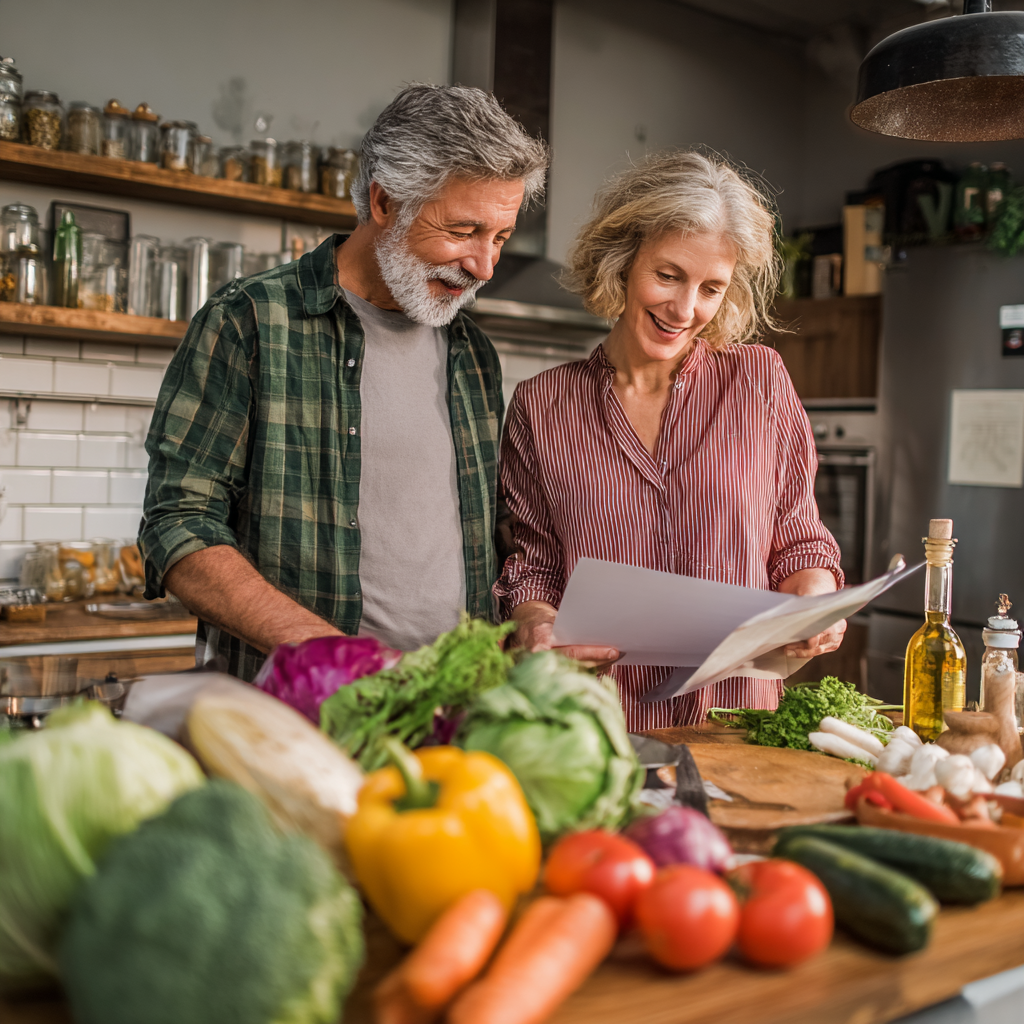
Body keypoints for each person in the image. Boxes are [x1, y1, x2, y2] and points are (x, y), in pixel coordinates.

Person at [139, 84, 549, 679]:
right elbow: (177, 521)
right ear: (384, 202)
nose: (484, 266)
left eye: (500, 238)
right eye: (462, 231)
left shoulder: (473, 354)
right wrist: (330, 655)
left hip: (458, 704)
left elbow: (484, 534)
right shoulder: (250, 320)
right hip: (299, 707)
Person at [494, 150, 845, 731]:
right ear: (622, 262)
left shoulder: (759, 381)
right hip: (596, 724)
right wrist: (534, 623)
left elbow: (798, 539)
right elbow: (534, 568)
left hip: (738, 725)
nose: (685, 309)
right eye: (668, 275)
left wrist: (815, 599)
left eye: (711, 288)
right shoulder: (543, 406)